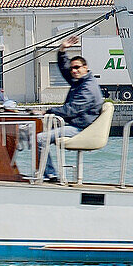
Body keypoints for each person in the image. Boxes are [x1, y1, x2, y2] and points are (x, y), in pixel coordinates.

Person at [37, 36, 104, 181]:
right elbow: (64, 69)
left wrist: (47, 112)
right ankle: (47, 173)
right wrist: (62, 50)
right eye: (73, 68)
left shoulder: (87, 88)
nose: (74, 71)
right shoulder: (80, 81)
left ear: (85, 68)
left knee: (40, 139)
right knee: (38, 133)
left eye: (77, 67)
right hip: (77, 124)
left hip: (82, 128)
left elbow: (72, 110)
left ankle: (49, 174)